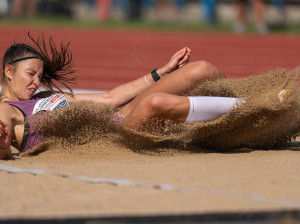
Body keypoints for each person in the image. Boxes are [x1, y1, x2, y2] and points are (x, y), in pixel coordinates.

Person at [1, 34, 268, 160]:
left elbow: (108, 98)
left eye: (40, 75)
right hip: (112, 137)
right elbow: (3, 148)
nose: (37, 81)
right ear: (8, 71)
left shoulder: (46, 95)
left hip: (120, 116)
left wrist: (161, 72)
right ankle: (258, 110)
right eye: (31, 74)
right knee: (155, 103)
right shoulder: (5, 109)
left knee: (201, 69)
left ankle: (256, 99)